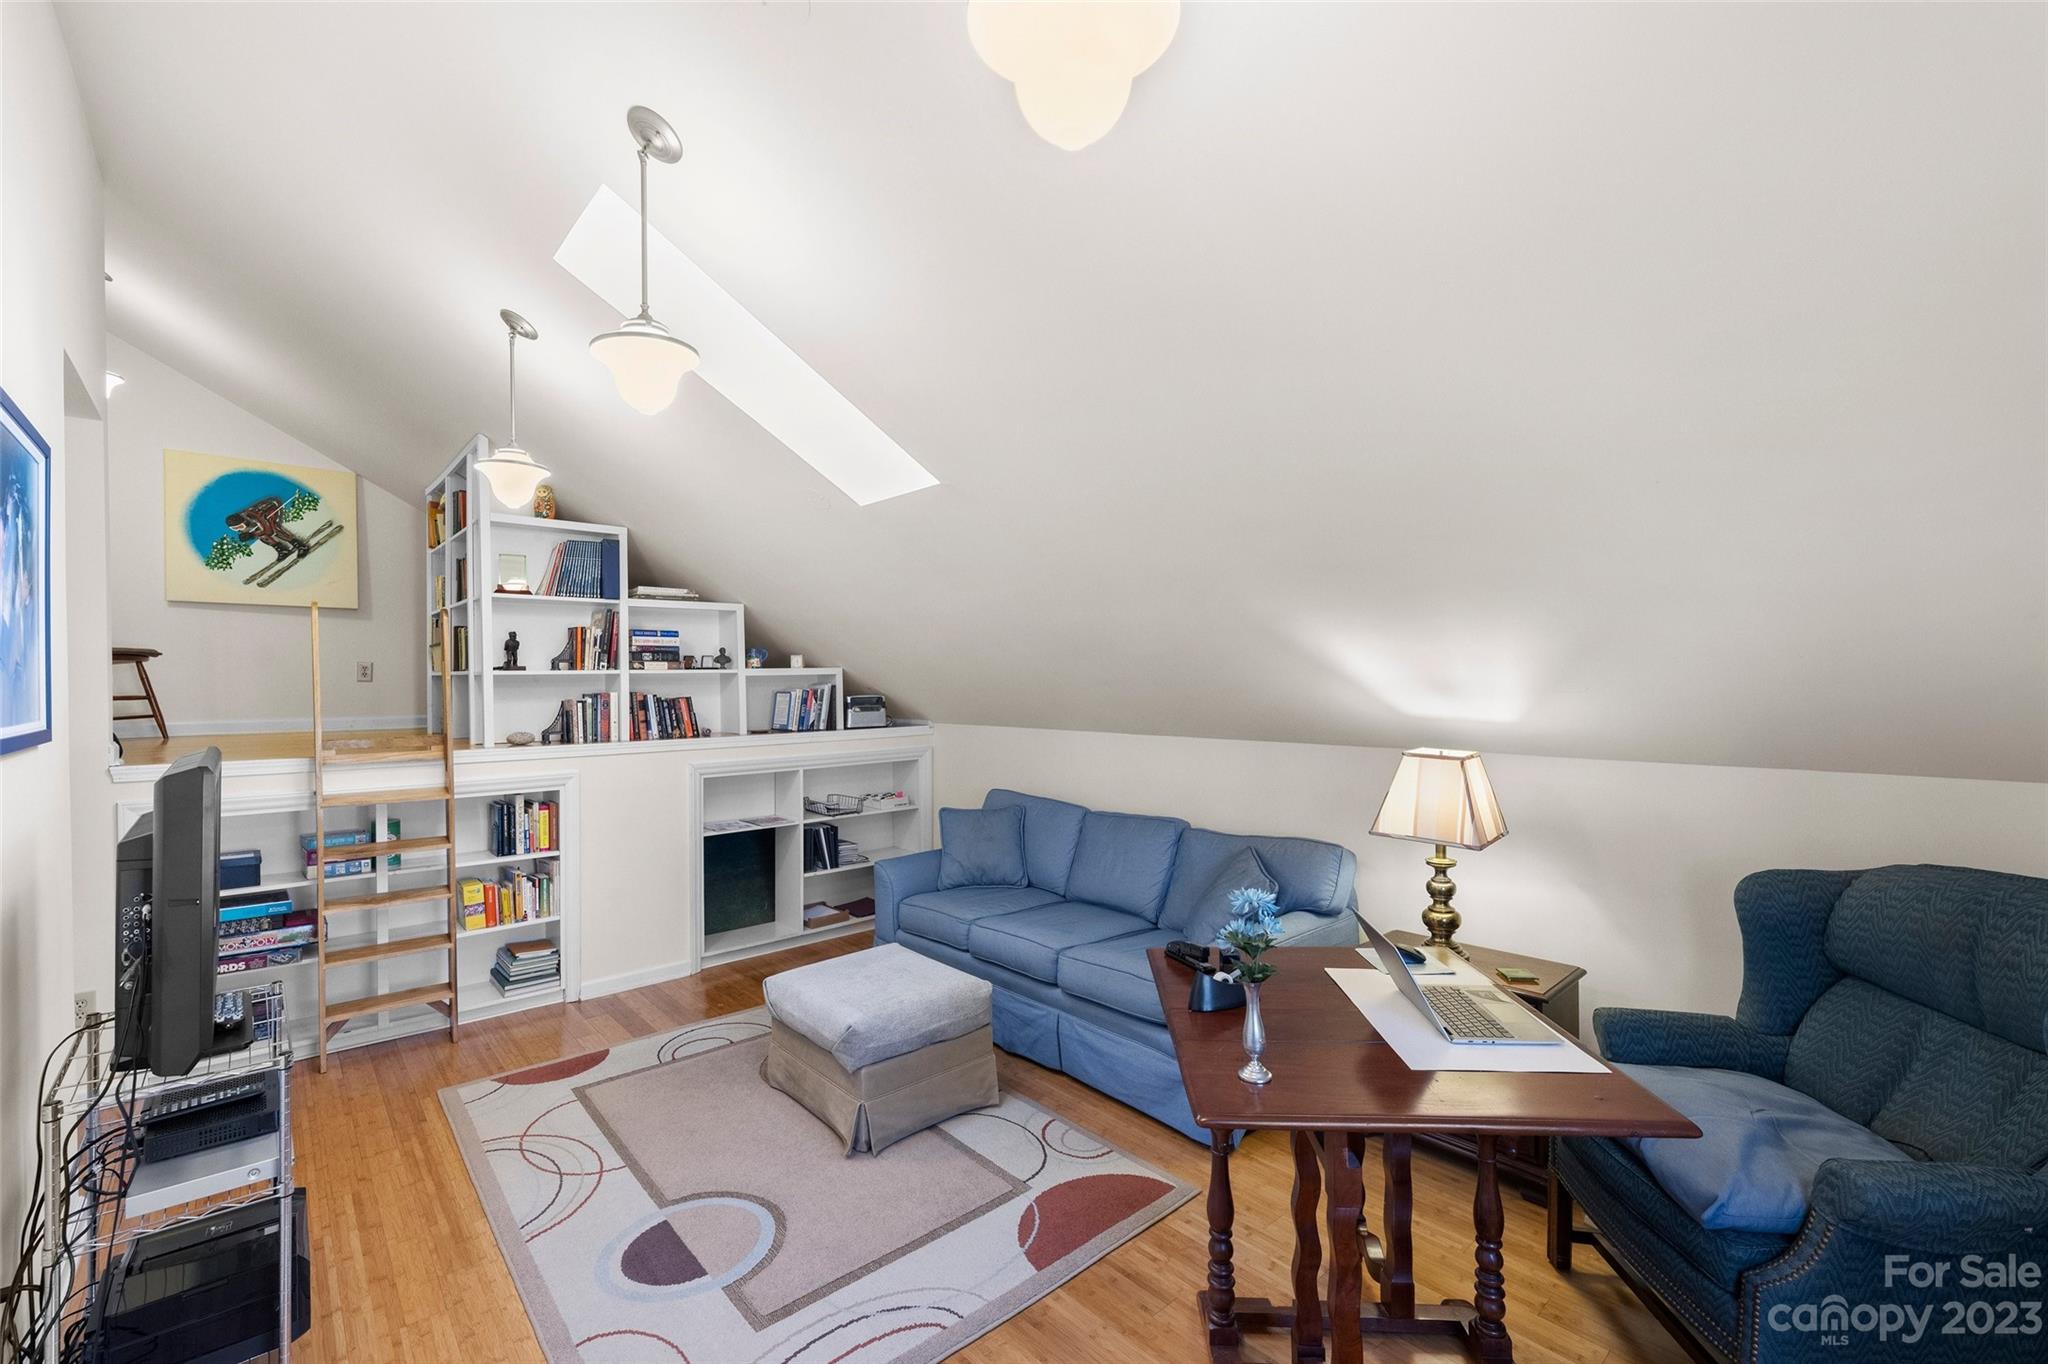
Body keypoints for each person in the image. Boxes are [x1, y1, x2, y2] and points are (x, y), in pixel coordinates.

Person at [225, 495, 311, 564]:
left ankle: (300, 545)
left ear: (243, 521)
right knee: (260, 533)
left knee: (273, 529)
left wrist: (252, 534)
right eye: (235, 529)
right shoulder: (245, 523)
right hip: (262, 514)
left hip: (272, 507)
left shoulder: (252, 515)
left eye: (240, 527)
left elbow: (268, 530)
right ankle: (282, 550)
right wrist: (247, 535)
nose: (239, 530)